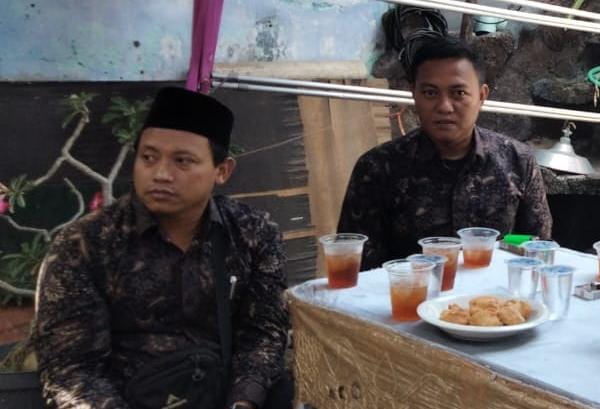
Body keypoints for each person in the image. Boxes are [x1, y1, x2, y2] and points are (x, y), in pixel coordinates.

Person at [34, 88, 292, 408]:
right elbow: (72, 371)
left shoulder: (253, 233)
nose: (160, 174)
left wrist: (244, 401)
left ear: (222, 171)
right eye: (148, 157)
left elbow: (264, 332)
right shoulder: (86, 244)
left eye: (182, 161)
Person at [337, 35, 552, 270]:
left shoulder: (517, 161)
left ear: (482, 96)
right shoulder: (379, 168)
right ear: (414, 94)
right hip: (407, 291)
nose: (444, 106)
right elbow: (357, 268)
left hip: (494, 292)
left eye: (458, 93)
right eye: (430, 93)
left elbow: (538, 249)